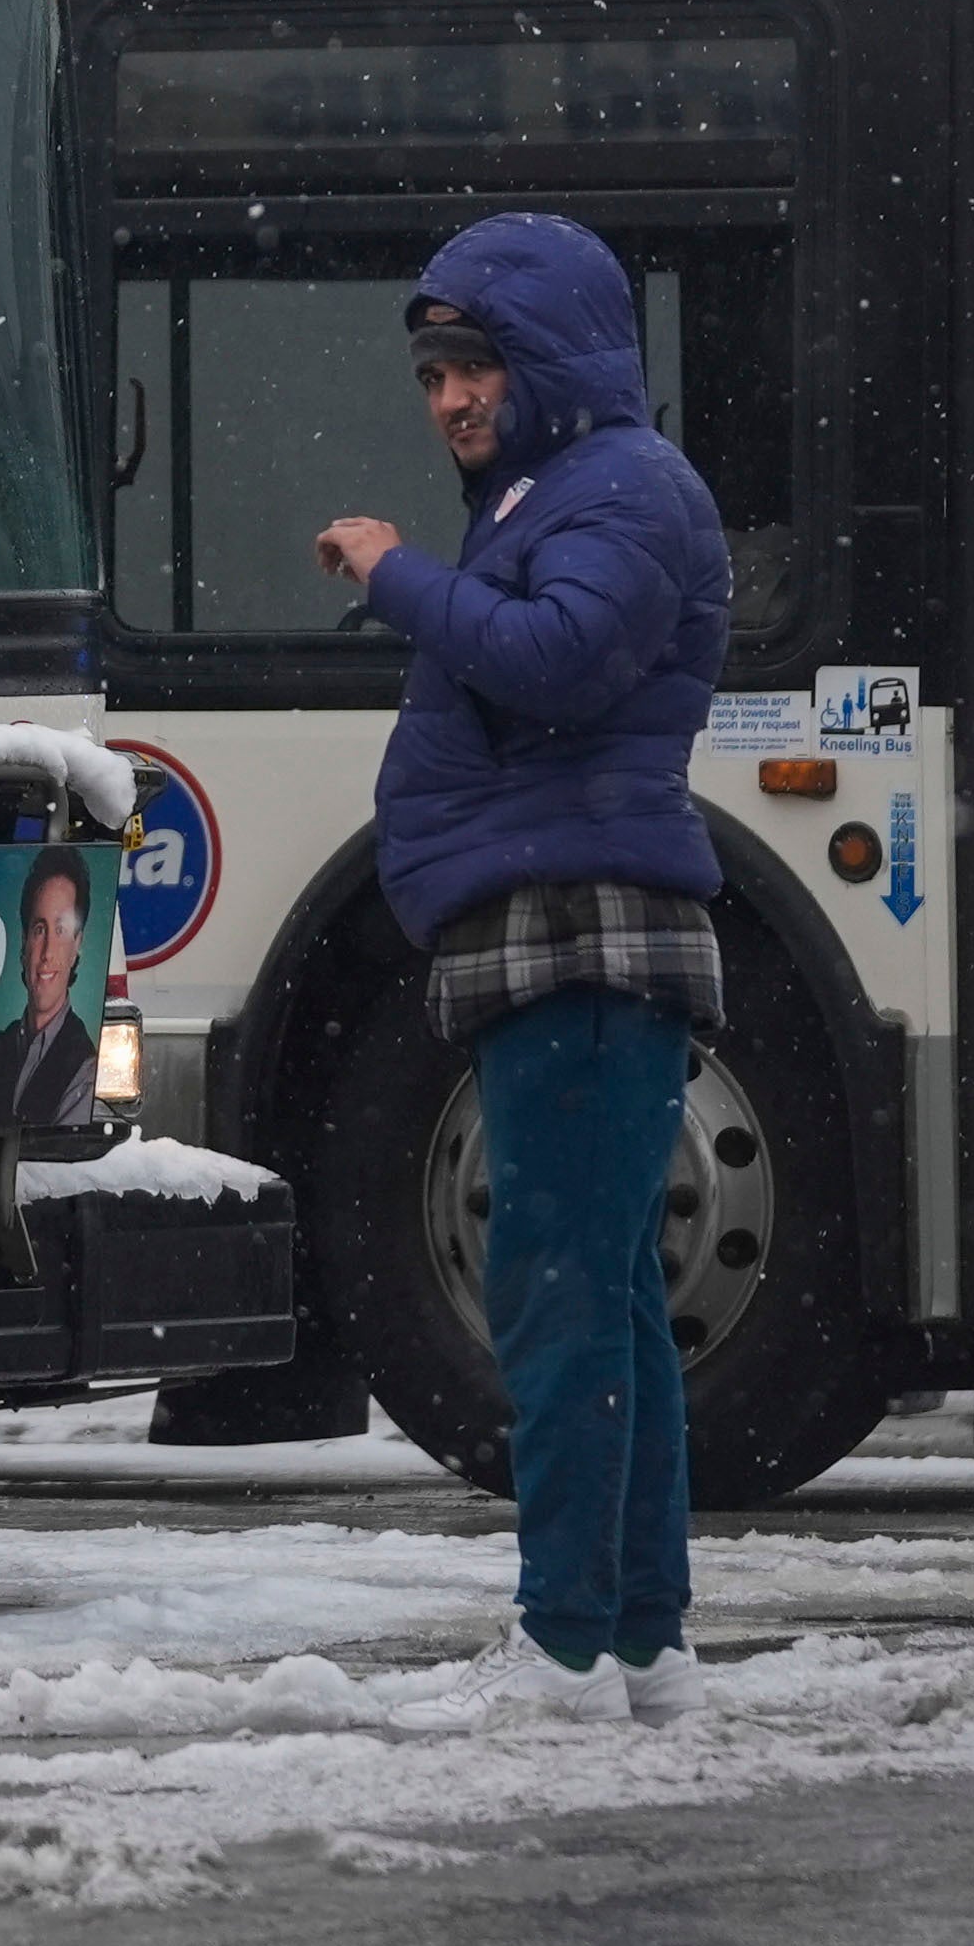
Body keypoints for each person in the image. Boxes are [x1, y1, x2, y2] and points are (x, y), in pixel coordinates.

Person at [315, 214, 730, 1726]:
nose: (449, 399)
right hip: (552, 924)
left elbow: (557, 660)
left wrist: (396, 574)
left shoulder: (622, 488)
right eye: (433, 371)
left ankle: (565, 1646)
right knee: (606, 1297)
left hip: (580, 932)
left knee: (556, 1292)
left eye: (475, 364)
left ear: (549, 359)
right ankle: (642, 1639)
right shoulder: (570, 487)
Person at [0, 846, 105, 1130]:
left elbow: (57, 1168)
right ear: (24, 942)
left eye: (61, 930)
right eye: (40, 929)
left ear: (77, 945)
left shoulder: (87, 1070)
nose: (48, 952)